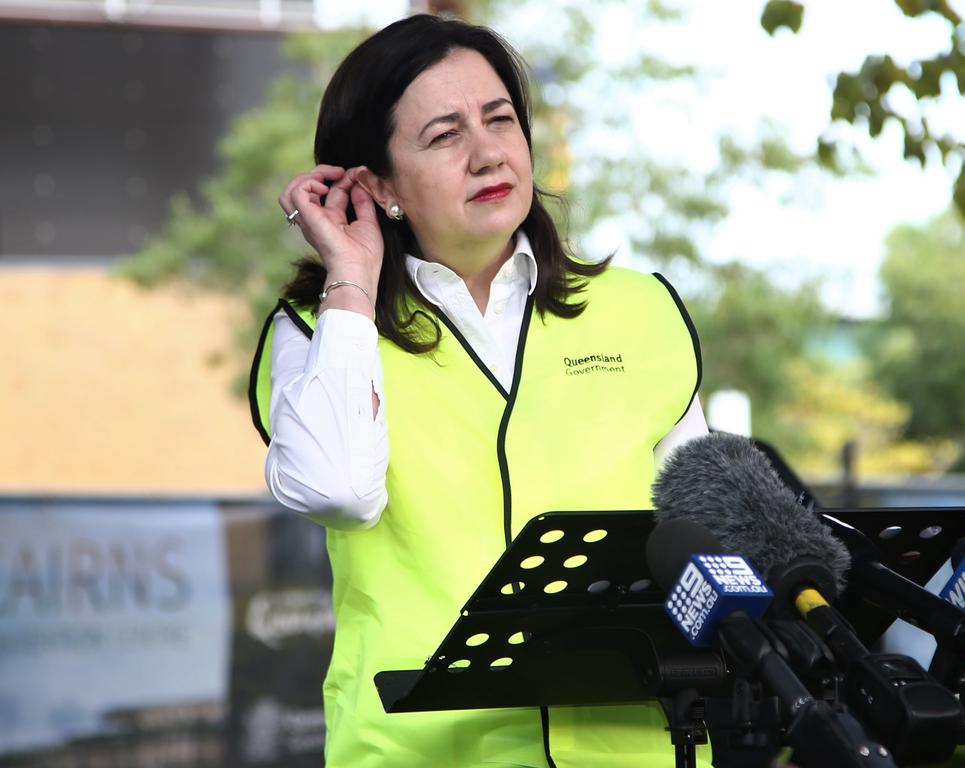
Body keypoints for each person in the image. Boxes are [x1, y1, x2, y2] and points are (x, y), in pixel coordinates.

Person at [249, 13, 712, 768]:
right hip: (423, 754)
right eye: (444, 135)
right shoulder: (320, 330)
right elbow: (335, 491)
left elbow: (702, 536)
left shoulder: (642, 310)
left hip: (640, 752)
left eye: (500, 120)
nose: (488, 152)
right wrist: (350, 279)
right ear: (377, 185)